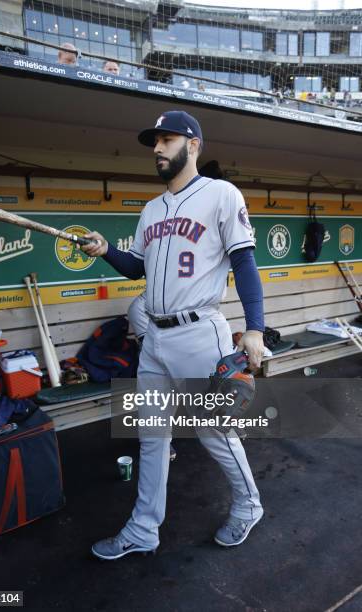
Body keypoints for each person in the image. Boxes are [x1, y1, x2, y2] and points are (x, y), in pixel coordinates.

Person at [82, 110, 265, 560]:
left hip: (200, 333)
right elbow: (138, 268)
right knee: (151, 434)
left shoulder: (221, 194)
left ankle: (249, 504)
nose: (158, 148)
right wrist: (107, 251)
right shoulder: (151, 209)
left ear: (194, 146)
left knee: (214, 432)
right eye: (155, 142)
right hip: (155, 338)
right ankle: (144, 529)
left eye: (167, 139)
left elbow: (244, 262)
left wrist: (256, 329)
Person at [128, 291, 177, 462]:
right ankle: (161, 441)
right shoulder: (141, 305)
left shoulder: (180, 297)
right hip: (154, 352)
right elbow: (154, 346)